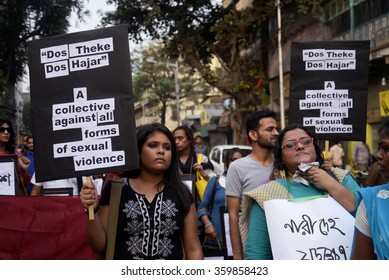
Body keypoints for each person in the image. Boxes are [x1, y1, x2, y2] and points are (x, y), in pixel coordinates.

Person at [80, 123, 203, 260]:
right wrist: (90, 209)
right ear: (138, 151)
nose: (161, 151)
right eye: (153, 145)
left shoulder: (181, 192)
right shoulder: (116, 189)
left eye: (167, 147)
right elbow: (99, 247)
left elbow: (193, 249)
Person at [240, 124, 360, 260]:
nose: (300, 146)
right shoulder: (266, 195)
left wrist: (329, 183)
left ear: (315, 148)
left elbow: (368, 219)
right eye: (290, 145)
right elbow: (258, 255)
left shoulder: (341, 178)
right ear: (281, 157)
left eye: (306, 141)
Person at [225, 110, 279, 260]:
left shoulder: (283, 164)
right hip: (255, 247)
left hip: (283, 241)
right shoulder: (237, 167)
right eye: (269, 129)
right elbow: (234, 214)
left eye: (276, 128)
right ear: (253, 135)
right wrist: (237, 256)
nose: (276, 133)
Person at [352, 119, 389, 260]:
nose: (379, 154)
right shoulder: (371, 204)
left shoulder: (367, 148)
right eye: (379, 148)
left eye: (385, 148)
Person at [198, 147, 243, 256]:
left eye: (240, 161)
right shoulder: (216, 181)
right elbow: (202, 207)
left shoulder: (247, 183)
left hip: (242, 242)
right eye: (233, 160)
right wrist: (208, 225)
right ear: (226, 161)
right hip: (215, 242)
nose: (237, 164)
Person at [0, 119, 31, 195]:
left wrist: (25, 170)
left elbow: (24, 184)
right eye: (2, 130)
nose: (6, 132)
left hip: (13, 201)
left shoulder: (16, 154)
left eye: (8, 130)